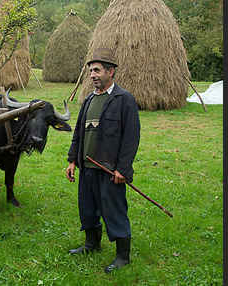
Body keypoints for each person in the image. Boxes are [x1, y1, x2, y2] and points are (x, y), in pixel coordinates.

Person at [65, 48, 140, 273]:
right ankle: (91, 244)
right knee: (87, 208)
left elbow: (131, 137)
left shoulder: (123, 99)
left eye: (97, 70)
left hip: (109, 170)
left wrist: (123, 169)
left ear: (111, 72)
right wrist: (72, 161)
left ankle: (122, 256)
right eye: (90, 71)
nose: (92, 75)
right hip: (87, 166)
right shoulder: (89, 100)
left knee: (114, 210)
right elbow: (78, 132)